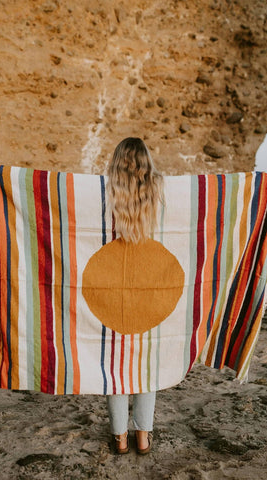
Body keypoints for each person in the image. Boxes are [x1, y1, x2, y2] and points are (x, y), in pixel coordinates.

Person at [106, 137, 164, 455]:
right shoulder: (162, 192)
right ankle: (143, 436)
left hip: (109, 285)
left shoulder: (102, 193)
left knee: (116, 363)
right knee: (146, 364)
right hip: (150, 286)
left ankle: (119, 437)